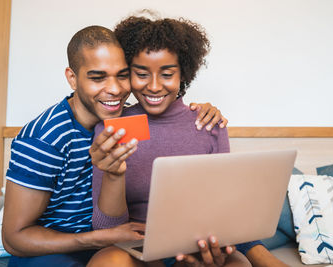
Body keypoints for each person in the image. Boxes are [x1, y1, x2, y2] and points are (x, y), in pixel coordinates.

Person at [2, 25, 228, 267]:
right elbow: (14, 240)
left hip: (114, 244)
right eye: (98, 77)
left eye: (122, 75)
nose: (115, 89)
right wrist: (99, 238)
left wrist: (204, 112)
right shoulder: (44, 139)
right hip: (53, 253)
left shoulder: (122, 121)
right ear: (72, 78)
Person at [89, 15, 288, 267]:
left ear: (184, 73)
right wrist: (113, 175)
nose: (153, 86)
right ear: (128, 73)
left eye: (167, 74)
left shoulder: (208, 125)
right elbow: (107, 227)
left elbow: (226, 210)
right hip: (135, 248)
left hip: (197, 246)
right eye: (141, 73)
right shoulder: (113, 130)